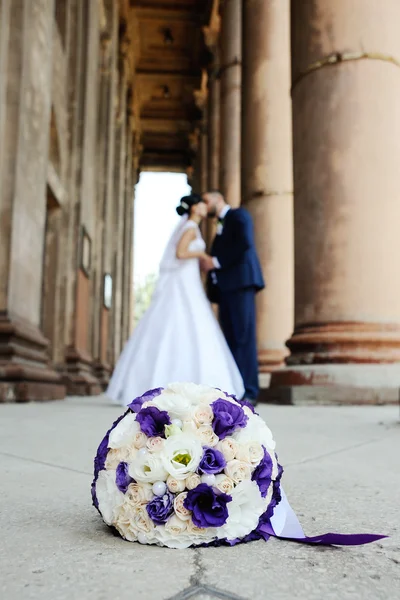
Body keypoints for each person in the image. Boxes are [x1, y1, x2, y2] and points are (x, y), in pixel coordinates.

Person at [106, 193, 245, 406]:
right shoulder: (190, 227)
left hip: (187, 281)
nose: (205, 206)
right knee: (187, 324)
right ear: (194, 208)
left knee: (186, 326)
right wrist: (200, 256)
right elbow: (180, 253)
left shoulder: (191, 227)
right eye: (201, 203)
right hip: (183, 283)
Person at [201, 190, 265, 406]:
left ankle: (250, 390)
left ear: (218, 199)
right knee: (230, 339)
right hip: (227, 288)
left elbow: (244, 244)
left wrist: (216, 262)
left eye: (206, 200)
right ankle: (236, 387)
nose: (204, 204)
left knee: (243, 338)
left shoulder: (239, 215)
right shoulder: (221, 224)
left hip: (241, 283)